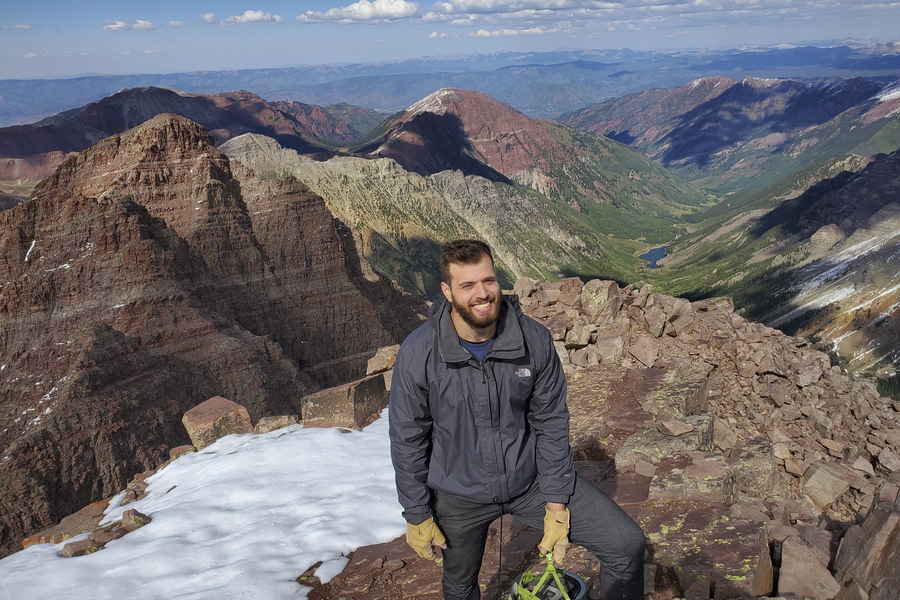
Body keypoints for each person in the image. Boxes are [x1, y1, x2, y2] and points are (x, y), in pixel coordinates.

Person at [388, 239, 646, 600]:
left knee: (626, 545)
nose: (482, 294)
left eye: (488, 281)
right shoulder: (419, 353)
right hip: (457, 493)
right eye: (468, 285)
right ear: (447, 291)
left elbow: (551, 423)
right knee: (460, 585)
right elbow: (407, 438)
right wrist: (416, 511)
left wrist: (556, 504)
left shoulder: (533, 339)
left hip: (530, 482)